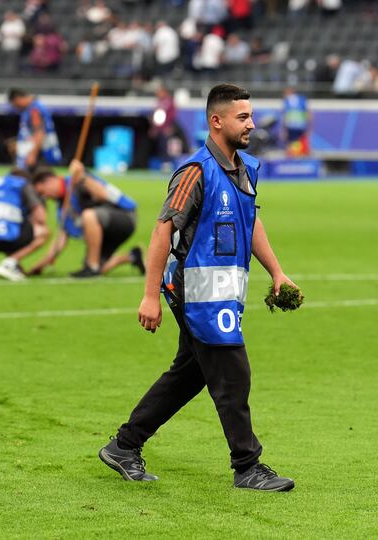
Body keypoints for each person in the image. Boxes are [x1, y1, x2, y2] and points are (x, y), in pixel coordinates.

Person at [97, 84, 298, 491]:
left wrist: (277, 272)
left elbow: (250, 221)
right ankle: (247, 465)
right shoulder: (195, 171)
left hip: (221, 292)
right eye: (243, 117)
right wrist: (149, 296)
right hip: (195, 292)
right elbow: (161, 231)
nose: (252, 124)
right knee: (233, 374)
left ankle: (124, 445)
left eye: (251, 115)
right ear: (216, 121)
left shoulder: (246, 169)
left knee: (190, 374)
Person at [29, 159, 144, 278]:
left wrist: (82, 177)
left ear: (50, 180)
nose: (45, 197)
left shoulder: (78, 179)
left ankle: (92, 267)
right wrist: (39, 266)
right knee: (102, 268)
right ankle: (131, 256)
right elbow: (59, 242)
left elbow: (103, 195)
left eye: (43, 192)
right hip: (104, 231)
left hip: (124, 217)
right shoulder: (62, 209)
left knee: (88, 215)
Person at [7, 88, 62, 171]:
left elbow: (39, 133)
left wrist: (32, 154)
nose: (16, 108)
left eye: (15, 104)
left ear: (18, 99)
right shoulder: (30, 108)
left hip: (40, 152)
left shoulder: (34, 110)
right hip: (38, 150)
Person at [281, 87, 309, 156]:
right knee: (300, 143)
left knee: (290, 144)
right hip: (301, 125)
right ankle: (300, 157)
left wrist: (284, 129)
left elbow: (285, 115)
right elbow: (307, 113)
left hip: (291, 126)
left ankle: (291, 158)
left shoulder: (287, 101)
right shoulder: (302, 99)